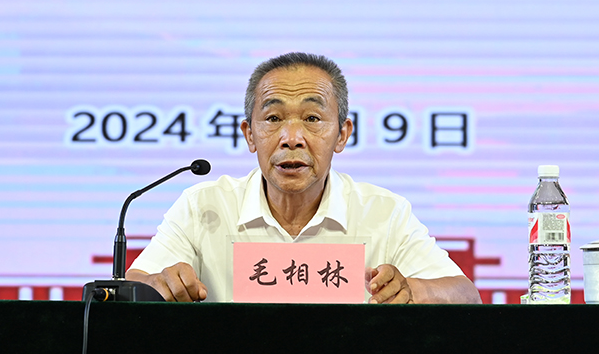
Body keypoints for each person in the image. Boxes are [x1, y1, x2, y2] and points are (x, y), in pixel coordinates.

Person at [127, 52, 482, 304]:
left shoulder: (383, 212)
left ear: (342, 134)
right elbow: (133, 285)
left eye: (312, 119)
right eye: (273, 119)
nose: (292, 137)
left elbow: (466, 295)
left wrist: (412, 290)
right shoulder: (203, 206)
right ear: (250, 135)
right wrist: (160, 284)